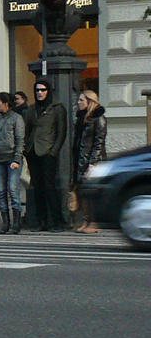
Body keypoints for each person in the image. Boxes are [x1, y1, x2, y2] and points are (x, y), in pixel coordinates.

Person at [0, 92, 26, 234]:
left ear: (5, 103)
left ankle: (16, 223)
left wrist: (17, 159)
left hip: (11, 159)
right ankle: (5, 223)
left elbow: (20, 141)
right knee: (1, 191)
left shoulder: (16, 119)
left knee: (13, 190)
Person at [29, 80, 66, 231]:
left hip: (47, 152)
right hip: (33, 151)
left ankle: (58, 221)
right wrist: (26, 148)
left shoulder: (57, 108)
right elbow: (28, 129)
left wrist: (53, 152)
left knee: (49, 187)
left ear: (48, 91)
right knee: (37, 188)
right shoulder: (32, 109)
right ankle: (41, 221)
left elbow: (61, 132)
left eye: (43, 90)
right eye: (37, 90)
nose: (40, 93)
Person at [73, 89, 108, 232]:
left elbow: (99, 142)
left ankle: (94, 223)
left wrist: (93, 162)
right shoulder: (82, 118)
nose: (78, 103)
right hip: (81, 158)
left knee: (92, 192)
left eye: (81, 100)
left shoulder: (98, 118)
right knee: (83, 191)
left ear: (90, 101)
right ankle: (86, 221)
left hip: (92, 160)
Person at [11, 90, 34, 226]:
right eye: (14, 99)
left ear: (24, 99)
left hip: (22, 150)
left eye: (18, 99)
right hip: (21, 149)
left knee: (23, 177)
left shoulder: (23, 113)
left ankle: (24, 204)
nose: (16, 101)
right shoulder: (19, 112)